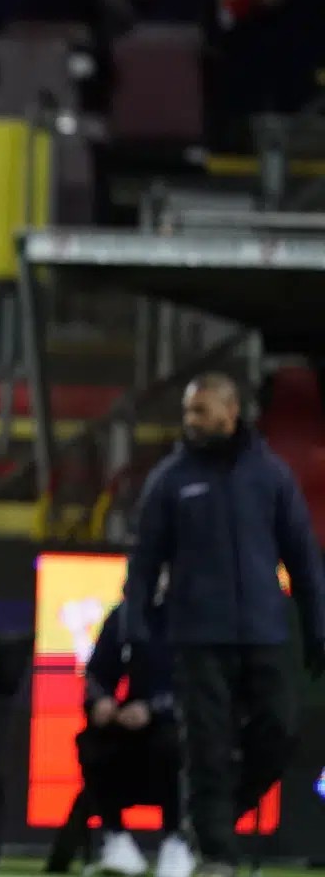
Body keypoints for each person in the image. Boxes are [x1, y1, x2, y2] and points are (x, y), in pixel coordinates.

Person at [122, 372, 325, 877]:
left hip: (265, 631)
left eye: (202, 411)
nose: (192, 421)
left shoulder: (271, 476)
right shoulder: (169, 479)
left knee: (280, 732)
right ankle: (216, 855)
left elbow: (303, 558)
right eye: (189, 411)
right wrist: (135, 623)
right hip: (198, 636)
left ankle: (210, 820)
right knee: (206, 744)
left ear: (232, 412)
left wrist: (318, 625)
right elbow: (144, 561)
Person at [79, 573, 191, 877]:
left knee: (171, 744)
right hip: (131, 719)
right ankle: (117, 839)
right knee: (91, 742)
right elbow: (96, 674)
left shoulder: (197, 617)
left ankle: (177, 841)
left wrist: (155, 709)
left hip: (183, 723)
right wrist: (101, 701)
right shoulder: (126, 615)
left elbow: (203, 686)